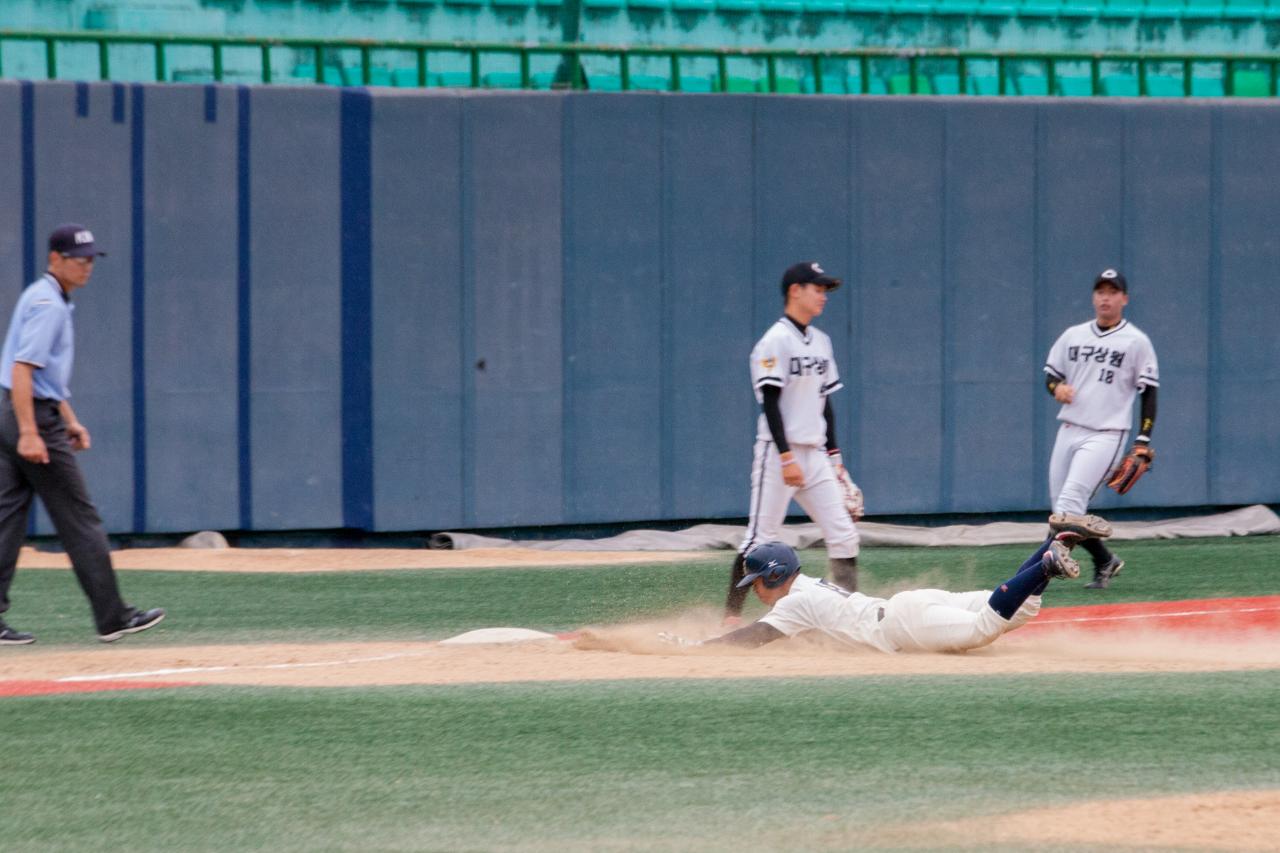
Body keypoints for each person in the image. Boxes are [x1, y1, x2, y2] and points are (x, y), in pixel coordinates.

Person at [0, 224, 164, 645]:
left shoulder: (43, 296)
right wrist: (31, 432)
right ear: (55, 259)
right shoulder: (49, 305)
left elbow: (39, 377)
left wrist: (67, 416)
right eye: (79, 258)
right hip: (27, 416)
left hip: (13, 411)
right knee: (80, 519)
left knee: (7, 518)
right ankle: (113, 618)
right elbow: (23, 370)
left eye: (92, 258)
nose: (87, 265)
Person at [677, 529, 1086, 654]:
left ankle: (1048, 562)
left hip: (903, 626)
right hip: (910, 608)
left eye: (755, 584)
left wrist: (701, 646)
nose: (754, 593)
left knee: (985, 626)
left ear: (772, 576)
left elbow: (753, 637)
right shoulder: (809, 588)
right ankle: (1052, 542)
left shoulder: (796, 601)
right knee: (1018, 611)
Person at [724, 261, 864, 625]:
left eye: (824, 290)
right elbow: (769, 401)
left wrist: (835, 457)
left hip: (815, 453)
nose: (822, 296)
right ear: (794, 291)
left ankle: (844, 617)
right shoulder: (775, 340)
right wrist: (786, 456)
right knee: (759, 538)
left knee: (844, 535)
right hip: (778, 451)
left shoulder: (821, 341)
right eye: (816, 288)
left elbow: (825, 403)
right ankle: (730, 620)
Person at [1043, 268, 1159, 589]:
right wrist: (1056, 389)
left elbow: (1149, 390)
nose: (1105, 297)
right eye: (1100, 291)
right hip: (1068, 429)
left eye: (1112, 291)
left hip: (1106, 434)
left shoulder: (1136, 341)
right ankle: (1105, 560)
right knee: (1061, 513)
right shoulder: (1073, 335)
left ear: (1125, 298)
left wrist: (1142, 439)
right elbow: (1050, 375)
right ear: (1094, 297)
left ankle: (1036, 576)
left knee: (1069, 505)